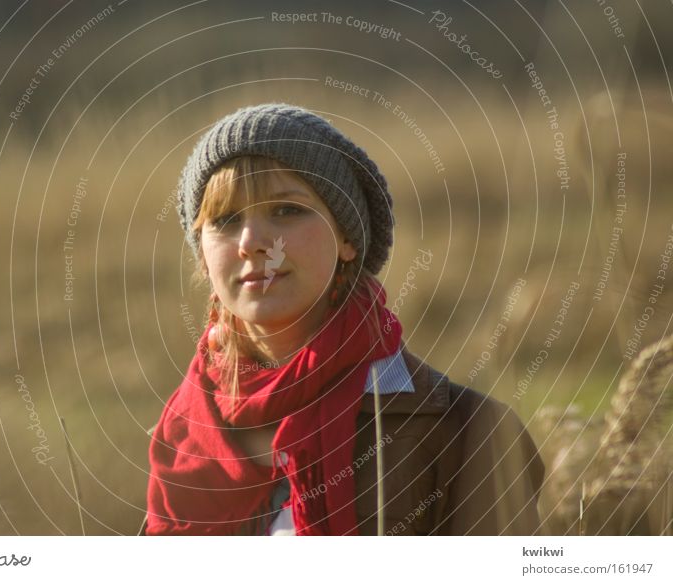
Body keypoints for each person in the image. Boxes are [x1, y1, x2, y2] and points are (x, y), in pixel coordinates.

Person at [141, 103, 544, 536]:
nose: (252, 242)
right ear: (202, 254)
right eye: (225, 219)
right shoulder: (182, 432)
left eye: (285, 210)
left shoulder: (471, 434)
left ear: (347, 238)